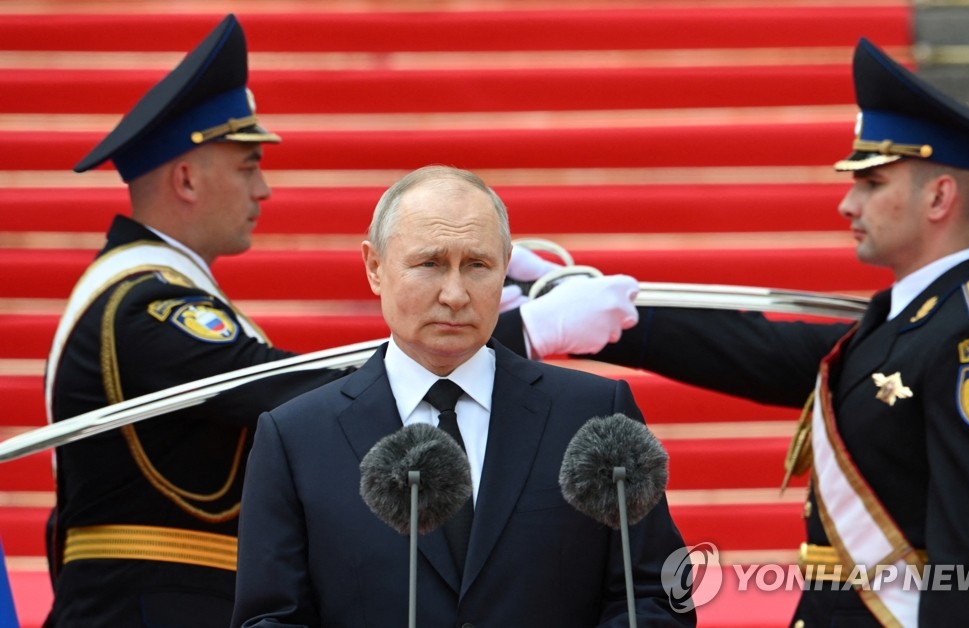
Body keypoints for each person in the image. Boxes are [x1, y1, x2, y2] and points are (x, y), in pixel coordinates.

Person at [43, 15, 640, 628]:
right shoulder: (146, 305)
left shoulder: (152, 292)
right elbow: (308, 394)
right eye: (248, 165)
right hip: (144, 608)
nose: (265, 189)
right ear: (187, 177)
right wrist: (520, 335)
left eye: (477, 266)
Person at [584, 38, 969, 626]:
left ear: (939, 197)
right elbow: (762, 352)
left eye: (872, 184)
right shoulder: (915, 317)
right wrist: (610, 317)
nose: (848, 203)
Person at [230, 165, 693, 627]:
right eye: (429, 263)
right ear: (375, 267)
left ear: (505, 267)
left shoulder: (593, 414)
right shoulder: (296, 438)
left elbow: (655, 596)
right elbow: (271, 617)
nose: (455, 294)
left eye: (477, 265)